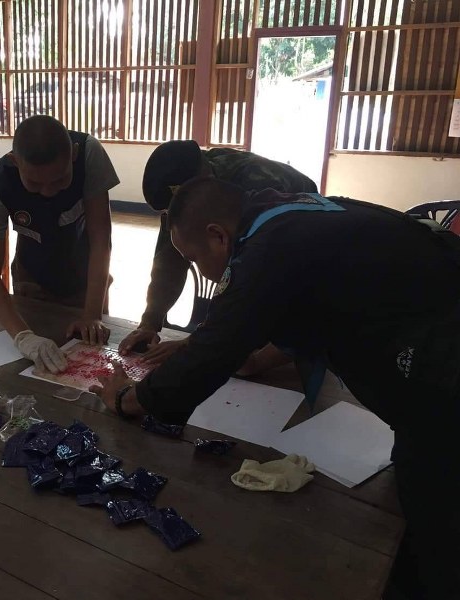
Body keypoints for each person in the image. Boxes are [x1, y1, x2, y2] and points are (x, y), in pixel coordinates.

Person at [93, 178, 460, 599]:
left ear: (218, 236)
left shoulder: (265, 249)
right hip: (434, 334)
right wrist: (238, 352)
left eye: (194, 259)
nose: (201, 272)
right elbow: (309, 302)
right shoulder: (281, 213)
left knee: (434, 511)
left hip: (444, 368)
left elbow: (217, 348)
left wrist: (127, 399)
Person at [119, 141, 318, 374]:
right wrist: (150, 322)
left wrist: (199, 344)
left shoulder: (260, 191)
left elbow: (255, 283)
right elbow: (169, 259)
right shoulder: (190, 188)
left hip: (307, 239)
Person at [0, 115, 120, 373]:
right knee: (35, 369)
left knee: (91, 359)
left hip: (87, 276)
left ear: (73, 154)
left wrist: (91, 315)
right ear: (15, 161)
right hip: (32, 279)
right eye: (34, 184)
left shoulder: (89, 154)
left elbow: (101, 239)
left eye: (59, 180)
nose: (48, 191)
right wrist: (23, 337)